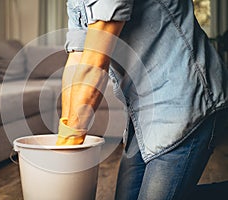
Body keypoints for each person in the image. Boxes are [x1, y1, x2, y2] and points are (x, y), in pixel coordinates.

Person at [56, 0, 228, 199]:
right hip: (144, 110)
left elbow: (94, 64)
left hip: (185, 98)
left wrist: (67, 150)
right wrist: (64, 136)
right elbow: (76, 62)